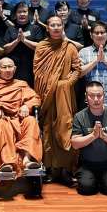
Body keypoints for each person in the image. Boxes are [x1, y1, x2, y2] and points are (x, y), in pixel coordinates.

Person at [33, 15, 81, 182]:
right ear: (47, 28)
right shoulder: (41, 46)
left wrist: (66, 84)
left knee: (65, 128)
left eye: (58, 25)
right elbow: (38, 72)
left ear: (63, 27)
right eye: (52, 25)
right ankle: (50, 169)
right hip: (47, 96)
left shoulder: (70, 47)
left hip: (64, 96)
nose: (55, 28)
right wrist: (51, 86)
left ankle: (67, 170)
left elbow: (77, 69)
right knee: (48, 130)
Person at [0, 57, 42, 176]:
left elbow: (35, 98)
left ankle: (27, 160)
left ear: (14, 69)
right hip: (0, 118)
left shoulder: (21, 84)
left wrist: (26, 106)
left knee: (31, 121)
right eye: (4, 67)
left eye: (10, 67)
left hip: (18, 118)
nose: (7, 70)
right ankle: (7, 163)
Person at [70, 82, 107, 196]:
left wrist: (104, 136)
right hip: (87, 163)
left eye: (99, 95)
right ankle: (96, 181)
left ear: (104, 96)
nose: (96, 99)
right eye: (92, 96)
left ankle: (102, 180)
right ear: (86, 97)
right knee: (86, 189)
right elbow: (75, 144)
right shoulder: (79, 116)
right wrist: (93, 136)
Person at [1, 2, 44, 87]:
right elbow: (5, 50)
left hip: (32, 67)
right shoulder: (11, 29)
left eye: (24, 11)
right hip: (14, 68)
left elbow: (40, 47)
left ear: (29, 13)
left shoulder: (36, 28)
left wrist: (24, 40)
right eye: (19, 12)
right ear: (15, 15)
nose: (22, 14)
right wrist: (17, 41)